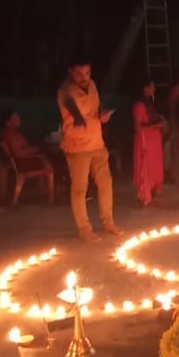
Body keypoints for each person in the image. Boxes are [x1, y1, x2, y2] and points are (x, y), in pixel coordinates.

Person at [57, 57, 121, 241]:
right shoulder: (65, 91)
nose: (84, 77)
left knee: (106, 184)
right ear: (70, 72)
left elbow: (97, 108)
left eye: (87, 73)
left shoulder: (92, 85)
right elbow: (71, 107)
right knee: (79, 190)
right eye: (79, 73)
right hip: (77, 149)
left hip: (97, 144)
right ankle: (84, 229)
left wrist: (102, 115)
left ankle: (108, 222)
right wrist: (78, 117)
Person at [0, 108, 55, 203]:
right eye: (15, 117)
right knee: (48, 165)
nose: (18, 119)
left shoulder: (15, 134)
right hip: (23, 164)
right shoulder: (10, 135)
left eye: (17, 117)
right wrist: (36, 150)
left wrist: (35, 149)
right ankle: (51, 197)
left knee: (45, 156)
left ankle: (44, 189)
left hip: (24, 161)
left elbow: (23, 149)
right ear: (8, 122)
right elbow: (19, 153)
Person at [133, 79, 166, 206]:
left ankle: (152, 193)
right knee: (145, 168)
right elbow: (138, 126)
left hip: (153, 140)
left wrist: (160, 121)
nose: (154, 89)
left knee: (154, 166)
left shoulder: (149, 103)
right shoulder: (139, 105)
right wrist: (158, 124)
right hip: (145, 141)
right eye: (152, 86)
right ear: (145, 88)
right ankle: (143, 196)